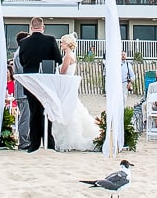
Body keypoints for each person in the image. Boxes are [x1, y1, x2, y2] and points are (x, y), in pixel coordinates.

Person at [16, 17, 64, 153]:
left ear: (31, 28)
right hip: (46, 81)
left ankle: (34, 143)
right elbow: (58, 60)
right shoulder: (50, 40)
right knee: (46, 111)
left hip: (30, 82)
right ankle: (48, 142)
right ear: (43, 27)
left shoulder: (24, 43)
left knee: (34, 112)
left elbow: (22, 60)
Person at [52, 33, 102, 151]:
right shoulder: (71, 55)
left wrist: (56, 68)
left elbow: (63, 71)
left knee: (67, 109)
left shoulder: (68, 56)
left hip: (66, 84)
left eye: (63, 42)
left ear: (68, 43)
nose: (61, 44)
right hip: (68, 84)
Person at [12, 32, 32, 150]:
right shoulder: (20, 54)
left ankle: (26, 140)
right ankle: (23, 141)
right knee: (25, 117)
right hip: (23, 91)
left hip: (23, 90)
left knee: (26, 116)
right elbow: (24, 71)